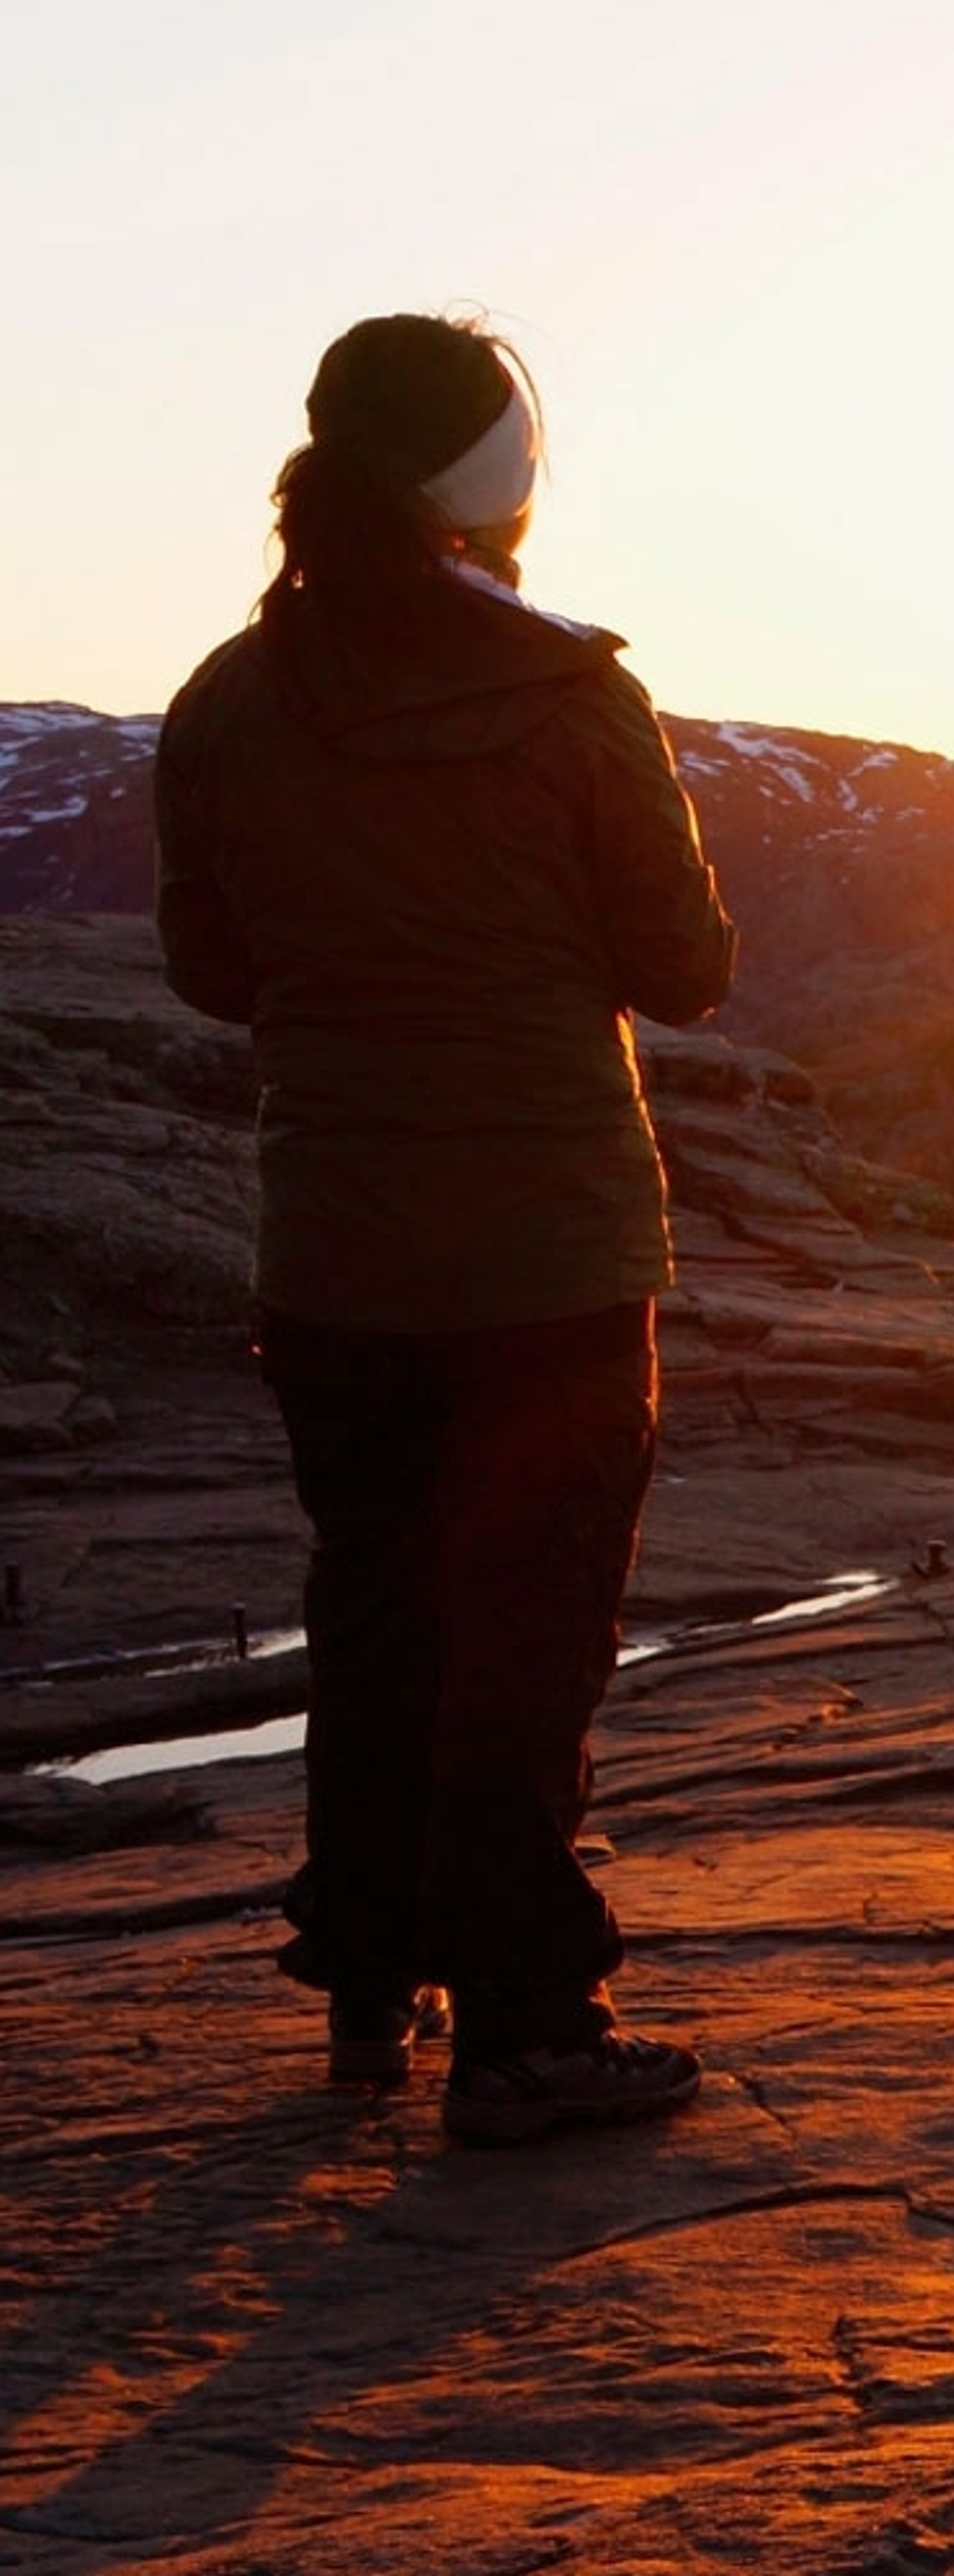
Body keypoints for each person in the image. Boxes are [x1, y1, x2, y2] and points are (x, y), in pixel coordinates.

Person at [154, 312, 737, 2145]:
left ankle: (361, 1992)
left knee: (378, 1607)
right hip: (548, 1257)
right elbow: (689, 972)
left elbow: (211, 972)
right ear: (503, 483)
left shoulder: (227, 701)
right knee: (527, 1638)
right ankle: (528, 2032)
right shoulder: (575, 696)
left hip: (330, 1251)